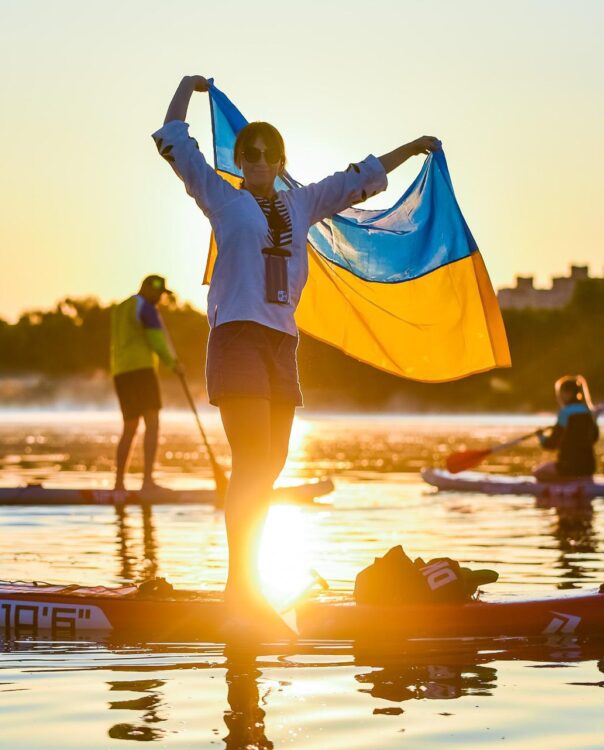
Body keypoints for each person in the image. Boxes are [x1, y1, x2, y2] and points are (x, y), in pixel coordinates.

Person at [153, 74, 442, 619]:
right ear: (240, 161)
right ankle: (242, 585)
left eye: (268, 154)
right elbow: (173, 139)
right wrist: (187, 88)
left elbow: (361, 179)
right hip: (236, 336)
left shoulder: (303, 203)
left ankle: (249, 579)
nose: (258, 160)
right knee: (251, 464)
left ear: (280, 160)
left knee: (273, 464)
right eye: (250, 153)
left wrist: (416, 147)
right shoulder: (220, 197)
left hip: (282, 345)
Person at [111, 274, 181, 497]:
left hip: (121, 372)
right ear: (149, 289)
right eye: (159, 294)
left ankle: (119, 484)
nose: (161, 298)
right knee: (152, 423)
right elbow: (157, 340)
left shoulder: (122, 308)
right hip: (141, 371)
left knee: (130, 427)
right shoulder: (147, 308)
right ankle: (148, 482)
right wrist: (174, 364)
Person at [533, 375, 599, 482]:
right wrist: (595, 421)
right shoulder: (588, 411)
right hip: (589, 468)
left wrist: (541, 437)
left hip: (568, 467)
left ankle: (562, 490)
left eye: (560, 394)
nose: (559, 397)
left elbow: (551, 444)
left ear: (568, 393)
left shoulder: (565, 413)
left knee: (538, 473)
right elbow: (594, 438)